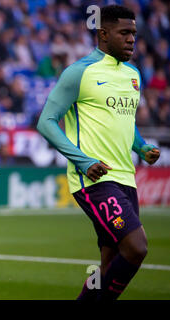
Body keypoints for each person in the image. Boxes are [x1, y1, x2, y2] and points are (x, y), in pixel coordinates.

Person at [36, 5, 160, 301]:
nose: (132, 39)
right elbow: (46, 122)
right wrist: (83, 160)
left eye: (134, 33)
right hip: (93, 179)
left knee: (109, 262)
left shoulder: (133, 74)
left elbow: (125, 123)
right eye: (125, 33)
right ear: (103, 34)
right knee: (136, 247)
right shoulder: (79, 72)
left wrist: (141, 146)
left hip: (126, 179)